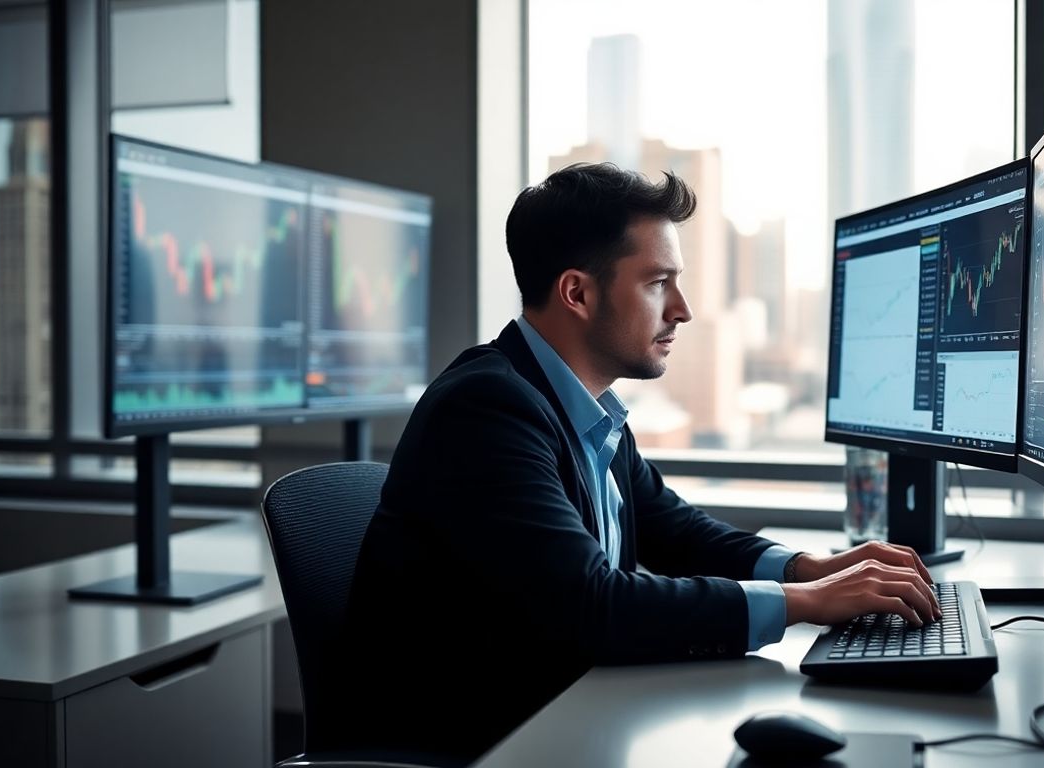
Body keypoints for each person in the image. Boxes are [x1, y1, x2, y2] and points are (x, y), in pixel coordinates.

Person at [335, 163, 941, 764]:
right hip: (476, 744)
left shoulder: (584, 407)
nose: (682, 309)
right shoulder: (487, 409)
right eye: (658, 283)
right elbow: (594, 608)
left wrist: (810, 569)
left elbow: (675, 531)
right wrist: (805, 603)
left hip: (561, 713)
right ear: (578, 292)